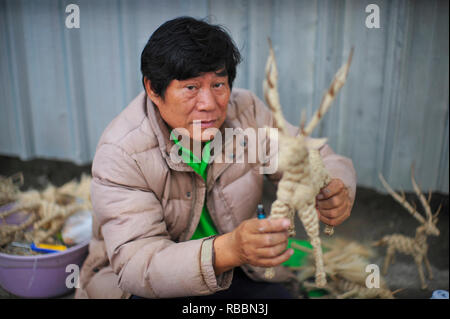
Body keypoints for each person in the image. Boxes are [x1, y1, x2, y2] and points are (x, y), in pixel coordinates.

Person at [75, 16, 356, 299]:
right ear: (153, 89)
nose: (209, 104)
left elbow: (309, 155)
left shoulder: (246, 114)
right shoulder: (122, 153)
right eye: (191, 88)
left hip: (234, 271)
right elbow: (139, 266)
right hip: (143, 288)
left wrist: (333, 184)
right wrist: (229, 249)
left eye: (219, 84)